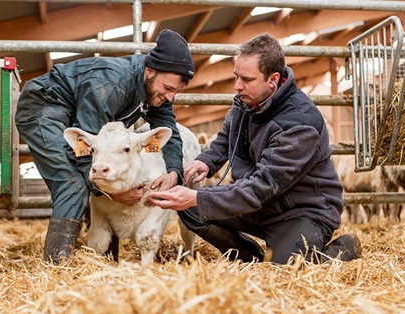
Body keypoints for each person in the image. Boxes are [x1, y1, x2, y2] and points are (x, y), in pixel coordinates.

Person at [149, 33, 362, 264]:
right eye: (236, 76)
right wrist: (206, 162)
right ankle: (250, 259)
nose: (237, 85)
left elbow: (263, 186)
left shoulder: (300, 124)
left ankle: (344, 248)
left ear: (273, 80)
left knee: (287, 270)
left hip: (300, 212)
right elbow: (226, 138)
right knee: (191, 209)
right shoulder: (247, 100)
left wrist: (198, 195)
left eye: (247, 79)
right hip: (257, 205)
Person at [15, 29, 195, 264]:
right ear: (150, 71)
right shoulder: (111, 83)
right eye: (168, 88)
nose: (170, 97)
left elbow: (169, 133)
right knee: (73, 182)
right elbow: (87, 155)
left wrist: (174, 172)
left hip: (74, 114)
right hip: (45, 108)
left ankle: (106, 259)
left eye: (175, 92)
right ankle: (57, 267)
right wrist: (113, 194)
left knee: (96, 178)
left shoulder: (156, 91)